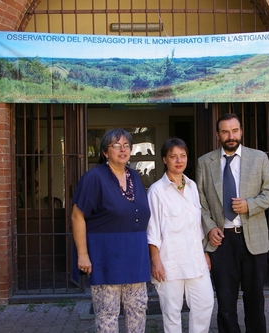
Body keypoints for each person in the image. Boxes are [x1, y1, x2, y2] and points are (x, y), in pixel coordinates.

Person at [196, 113, 269, 333]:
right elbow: (200, 202)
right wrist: (210, 226)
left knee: (255, 301)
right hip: (222, 241)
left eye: (234, 130)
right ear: (217, 135)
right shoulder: (205, 162)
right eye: (225, 131)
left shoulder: (259, 157)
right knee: (225, 302)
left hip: (253, 239)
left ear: (241, 131)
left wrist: (250, 205)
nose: (230, 136)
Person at [71, 128, 151, 332]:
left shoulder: (134, 176)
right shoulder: (94, 178)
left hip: (135, 257)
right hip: (106, 257)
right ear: (105, 152)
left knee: (138, 310)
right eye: (116, 145)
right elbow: (77, 216)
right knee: (107, 314)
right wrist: (82, 254)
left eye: (126, 145)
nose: (122, 149)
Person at [147, 138, 214, 333]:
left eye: (183, 156)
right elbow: (152, 230)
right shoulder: (156, 191)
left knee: (205, 304)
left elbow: (198, 225)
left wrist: (205, 252)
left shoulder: (193, 187)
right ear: (164, 159)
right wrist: (155, 261)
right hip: (170, 262)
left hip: (195, 260)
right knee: (171, 313)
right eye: (173, 156)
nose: (179, 160)